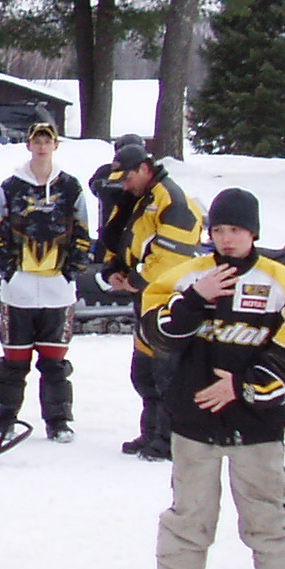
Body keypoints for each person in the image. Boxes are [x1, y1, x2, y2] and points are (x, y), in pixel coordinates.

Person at [133, 187, 285, 569]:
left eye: (235, 229)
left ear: (253, 232)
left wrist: (243, 386)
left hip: (257, 428)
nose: (226, 239)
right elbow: (156, 334)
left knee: (268, 519)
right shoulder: (185, 277)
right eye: (218, 230)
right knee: (188, 516)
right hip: (194, 424)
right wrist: (196, 299)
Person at [91, 135, 205, 459]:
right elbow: (122, 236)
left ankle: (170, 440)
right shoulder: (139, 197)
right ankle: (152, 431)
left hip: (170, 298)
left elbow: (172, 256)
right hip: (145, 296)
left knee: (167, 371)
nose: (125, 185)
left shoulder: (173, 201)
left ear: (144, 168)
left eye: (127, 178)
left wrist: (136, 278)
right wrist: (113, 268)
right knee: (144, 371)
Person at [0, 121, 88, 442]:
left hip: (58, 290)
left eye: (47, 141)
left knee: (55, 362)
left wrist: (71, 272)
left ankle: (58, 421)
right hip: (19, 290)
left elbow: (83, 231)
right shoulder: (11, 186)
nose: (42, 147)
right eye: (37, 141)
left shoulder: (70, 186)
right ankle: (3, 418)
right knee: (13, 361)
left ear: (56, 146)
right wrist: (9, 273)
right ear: (28, 145)